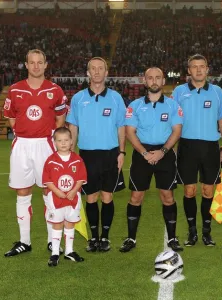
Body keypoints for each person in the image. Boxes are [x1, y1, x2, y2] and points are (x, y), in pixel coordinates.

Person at [3, 49, 67, 257]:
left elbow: (60, 119)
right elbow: (11, 118)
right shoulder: (14, 90)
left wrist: (50, 138)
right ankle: (24, 241)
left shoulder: (55, 90)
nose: (36, 66)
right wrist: (24, 133)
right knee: (22, 193)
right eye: (32, 62)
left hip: (45, 144)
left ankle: (52, 241)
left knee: (49, 193)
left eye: (40, 62)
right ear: (26, 65)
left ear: (46, 65)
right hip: (22, 144)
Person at [119, 67, 183, 253]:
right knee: (136, 197)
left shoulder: (173, 106)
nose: (154, 81)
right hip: (142, 153)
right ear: (145, 81)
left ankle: (172, 238)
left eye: (158, 78)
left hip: (165, 153)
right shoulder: (134, 106)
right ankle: (131, 238)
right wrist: (145, 153)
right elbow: (130, 132)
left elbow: (177, 131)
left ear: (163, 81)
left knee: (167, 197)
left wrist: (162, 152)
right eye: (150, 78)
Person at [66, 57, 126, 252]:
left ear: (106, 72)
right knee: (91, 197)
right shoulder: (78, 98)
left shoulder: (116, 98)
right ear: (88, 73)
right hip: (87, 155)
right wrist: (71, 154)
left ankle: (105, 237)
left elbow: (121, 127)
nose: (97, 72)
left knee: (107, 196)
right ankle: (93, 238)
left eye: (101, 68)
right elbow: (73, 127)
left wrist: (122, 152)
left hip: (110, 154)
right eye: (94, 68)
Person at [172, 54, 222, 247]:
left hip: (210, 147)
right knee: (189, 190)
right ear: (189, 70)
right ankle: (192, 231)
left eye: (202, 66)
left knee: (207, 190)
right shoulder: (179, 91)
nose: (198, 70)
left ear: (207, 69)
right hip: (187, 146)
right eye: (194, 67)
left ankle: (207, 232)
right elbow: (173, 121)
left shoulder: (217, 91)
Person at [43, 127, 87, 266]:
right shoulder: (50, 161)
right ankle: (55, 253)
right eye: (60, 140)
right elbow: (47, 181)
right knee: (57, 223)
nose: (63, 143)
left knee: (70, 222)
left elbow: (81, 178)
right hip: (56, 199)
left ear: (72, 141)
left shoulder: (77, 160)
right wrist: (57, 192)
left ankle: (69, 251)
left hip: (73, 198)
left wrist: (74, 191)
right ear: (54, 142)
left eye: (66, 140)